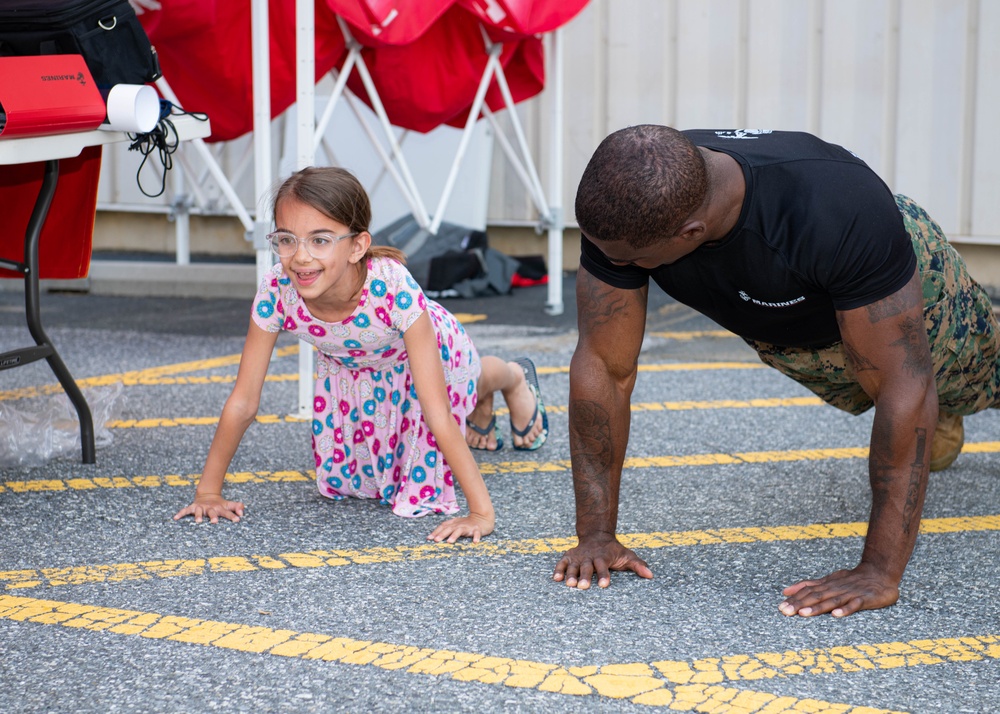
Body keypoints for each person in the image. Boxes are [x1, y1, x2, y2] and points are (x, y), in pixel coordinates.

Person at [552, 125, 1000, 616]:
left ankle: (953, 401)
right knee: (885, 394)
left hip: (907, 292)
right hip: (794, 332)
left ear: (690, 234)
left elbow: (904, 384)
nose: (614, 265)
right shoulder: (635, 206)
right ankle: (942, 414)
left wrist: (878, 570)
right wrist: (595, 535)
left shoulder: (837, 210)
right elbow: (604, 366)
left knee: (963, 381)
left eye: (630, 260)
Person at [174, 167, 547, 542]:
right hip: (355, 368)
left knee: (469, 380)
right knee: (362, 482)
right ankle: (480, 403)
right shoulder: (277, 289)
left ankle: (513, 378)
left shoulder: (391, 286)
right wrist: (208, 492)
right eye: (286, 239)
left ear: (357, 245)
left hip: (432, 349)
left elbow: (436, 410)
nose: (300, 257)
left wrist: (481, 513)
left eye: (319, 240)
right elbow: (244, 401)